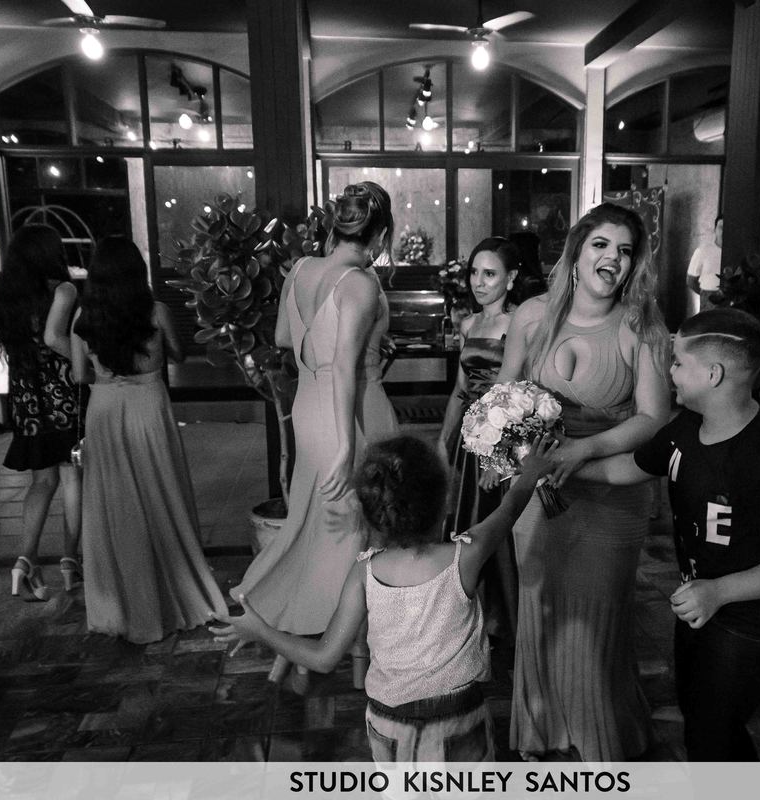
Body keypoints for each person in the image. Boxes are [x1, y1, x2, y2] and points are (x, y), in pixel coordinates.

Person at [210, 435, 557, 764]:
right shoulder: (466, 556)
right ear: (444, 502)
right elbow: (510, 508)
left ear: (374, 515)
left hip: (389, 725)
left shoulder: (364, 573)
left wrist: (261, 631)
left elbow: (323, 658)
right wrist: (530, 472)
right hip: (458, 719)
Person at [577, 309, 760, 760]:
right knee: (703, 725)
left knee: (713, 731)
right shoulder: (685, 429)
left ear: (713, 374)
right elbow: (632, 467)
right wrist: (565, 468)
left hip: (750, 619)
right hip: (701, 605)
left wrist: (719, 591)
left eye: (679, 362)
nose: (670, 372)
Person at [498, 202, 671, 761]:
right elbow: (503, 396)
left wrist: (584, 448)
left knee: (595, 622)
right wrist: (507, 447)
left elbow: (654, 418)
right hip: (538, 491)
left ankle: (598, 739)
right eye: (601, 244)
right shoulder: (531, 316)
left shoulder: (642, 325)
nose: (612, 258)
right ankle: (541, 731)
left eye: (625, 251)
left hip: (609, 494)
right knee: (540, 608)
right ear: (576, 253)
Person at [231, 181, 400, 687]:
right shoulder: (360, 283)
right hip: (353, 411)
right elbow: (346, 366)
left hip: (308, 406)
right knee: (357, 535)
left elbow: (284, 337)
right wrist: (348, 443)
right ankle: (343, 654)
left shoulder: (301, 268)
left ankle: (294, 647)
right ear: (381, 233)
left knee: (316, 527)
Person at [71, 237, 226, 644]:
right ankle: (171, 589)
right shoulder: (156, 312)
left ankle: (122, 605)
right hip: (148, 407)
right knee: (161, 493)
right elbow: (178, 354)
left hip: (104, 411)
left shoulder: (83, 318)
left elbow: (79, 375)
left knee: (115, 502)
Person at [436, 236, 530, 639]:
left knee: (497, 527)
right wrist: (443, 440)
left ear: (511, 278)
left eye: (489, 273)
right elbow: (460, 390)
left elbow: (521, 392)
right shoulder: (469, 324)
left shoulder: (520, 323)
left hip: (502, 439)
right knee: (465, 524)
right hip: (467, 439)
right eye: (474, 272)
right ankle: (467, 624)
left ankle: (506, 625)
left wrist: (500, 454)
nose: (478, 281)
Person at [0, 225, 82, 601]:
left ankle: (24, 561)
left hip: (26, 396)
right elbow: (54, 338)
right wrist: (85, 364)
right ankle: (70, 560)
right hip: (62, 394)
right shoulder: (63, 289)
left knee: (41, 482)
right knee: (73, 477)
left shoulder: (3, 290)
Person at [686, 214, 723, 311]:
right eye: (721, 227)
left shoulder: (734, 252)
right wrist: (706, 296)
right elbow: (690, 280)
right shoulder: (703, 251)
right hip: (708, 300)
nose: (723, 231)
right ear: (715, 230)